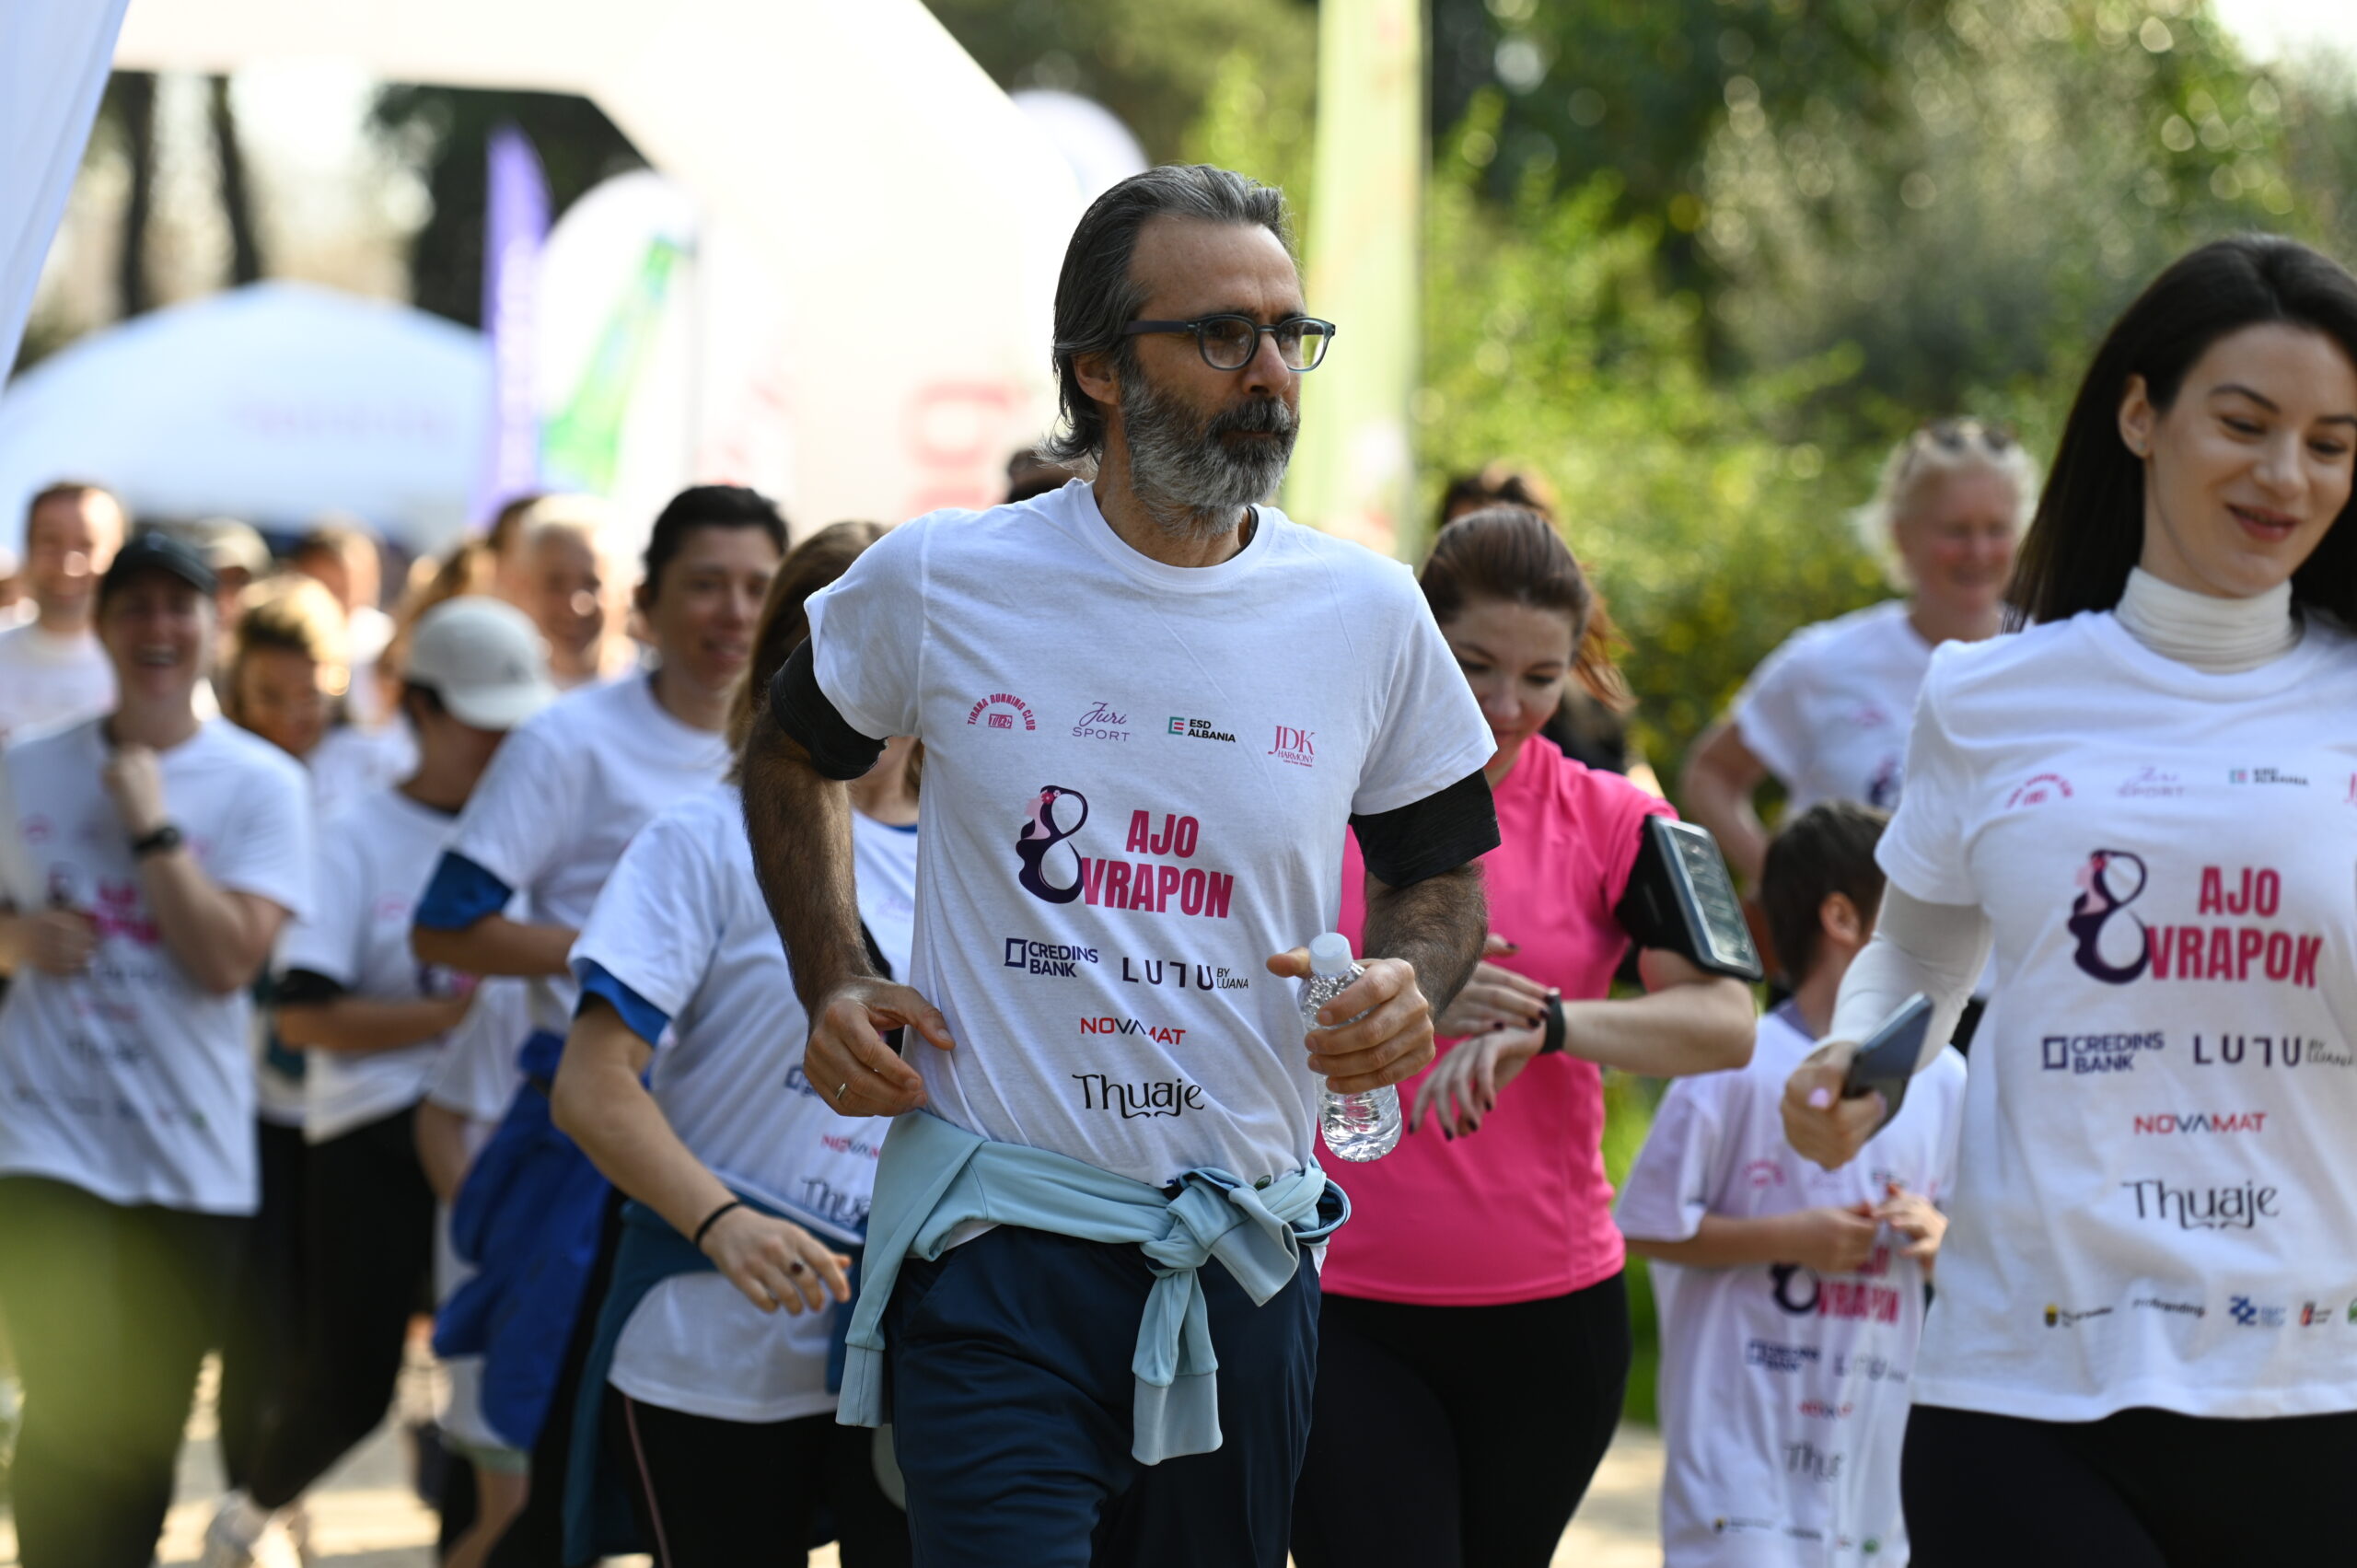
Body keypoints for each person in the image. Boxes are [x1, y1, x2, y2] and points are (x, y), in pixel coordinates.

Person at [743, 163, 1500, 1568]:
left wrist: (1412, 982)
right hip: (997, 1244)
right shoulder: (944, 577)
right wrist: (833, 973)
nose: (1270, 372)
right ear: (1096, 367)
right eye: (1222, 334)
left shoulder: (1368, 610)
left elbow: (1441, 872)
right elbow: (789, 750)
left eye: (1289, 332)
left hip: (1241, 1253)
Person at [1782, 234, 2357, 1566]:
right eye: (2245, 423)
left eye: (2330, 443)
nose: (2286, 475)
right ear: (2140, 414)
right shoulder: (1987, 692)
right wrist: (1854, 1059)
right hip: (2022, 1383)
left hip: (2313, 1383)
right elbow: (1919, 952)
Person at [1288, 506, 1757, 1568]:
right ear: (1418, 639)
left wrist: (1552, 1024)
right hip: (1332, 1293)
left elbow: (1726, 1023)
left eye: (1541, 678)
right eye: (1475, 666)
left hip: (1548, 1314)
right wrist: (1410, 991)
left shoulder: (1619, 818)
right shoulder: (1314, 788)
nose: (1506, 707)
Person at [413, 483, 785, 1566]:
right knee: (532, 1472)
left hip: (743, 1162)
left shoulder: (805, 755)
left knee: (700, 1492)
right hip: (588, 1150)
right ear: (647, 602)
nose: (732, 611)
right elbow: (447, 922)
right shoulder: (569, 740)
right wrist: (632, 953)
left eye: (756, 587)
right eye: (705, 584)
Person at [551, 521, 912, 1566]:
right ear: (786, 664)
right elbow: (590, 1084)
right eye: (833, 640)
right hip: (711, 1338)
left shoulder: (995, 858)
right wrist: (723, 1224)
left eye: (895, 637)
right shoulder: (703, 837)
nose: (868, 669)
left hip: (913, 1345)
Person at [202, 598, 555, 1565]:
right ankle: (245, 1518)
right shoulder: (355, 834)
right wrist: (447, 1019)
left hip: (504, 1130)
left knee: (493, 1383)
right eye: (481, 720)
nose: (502, 743)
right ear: (421, 708)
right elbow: (302, 1016)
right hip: (373, 1130)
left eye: (515, 721)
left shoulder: (542, 829)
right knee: (352, 1383)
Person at [0, 532, 312, 1567]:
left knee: (141, 1430)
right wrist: (12, 939)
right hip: (44, 1135)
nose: (158, 627)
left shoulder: (263, 784)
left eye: (179, 607)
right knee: (66, 1389)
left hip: (189, 1155)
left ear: (214, 626)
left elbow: (228, 961)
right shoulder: (24, 769)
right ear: (100, 627)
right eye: (133, 606)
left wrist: (150, 825)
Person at [1618, 801, 1964, 1566]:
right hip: (1736, 1456)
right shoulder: (1734, 1063)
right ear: (1842, 917)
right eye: (1909, 907)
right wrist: (1788, 1237)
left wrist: (1941, 1240)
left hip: (1868, 1462)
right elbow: (1641, 1224)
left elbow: (1984, 1252)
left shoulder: (1944, 1079)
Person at [1680, 420, 2035, 886]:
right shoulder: (1826, 662)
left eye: (1997, 529)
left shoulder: (2056, 660)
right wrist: (1781, 889)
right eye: (1956, 530)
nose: (1979, 550)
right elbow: (1710, 774)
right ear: (1901, 534)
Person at [0, 482, 125, 742]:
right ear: (28, 549)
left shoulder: (156, 670)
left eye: (87, 544)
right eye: (50, 541)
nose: (68, 566)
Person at [492, 496, 633, 690]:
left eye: (592, 584)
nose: (575, 607)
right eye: (555, 585)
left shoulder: (662, 691)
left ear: (623, 590)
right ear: (525, 587)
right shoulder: (501, 693)